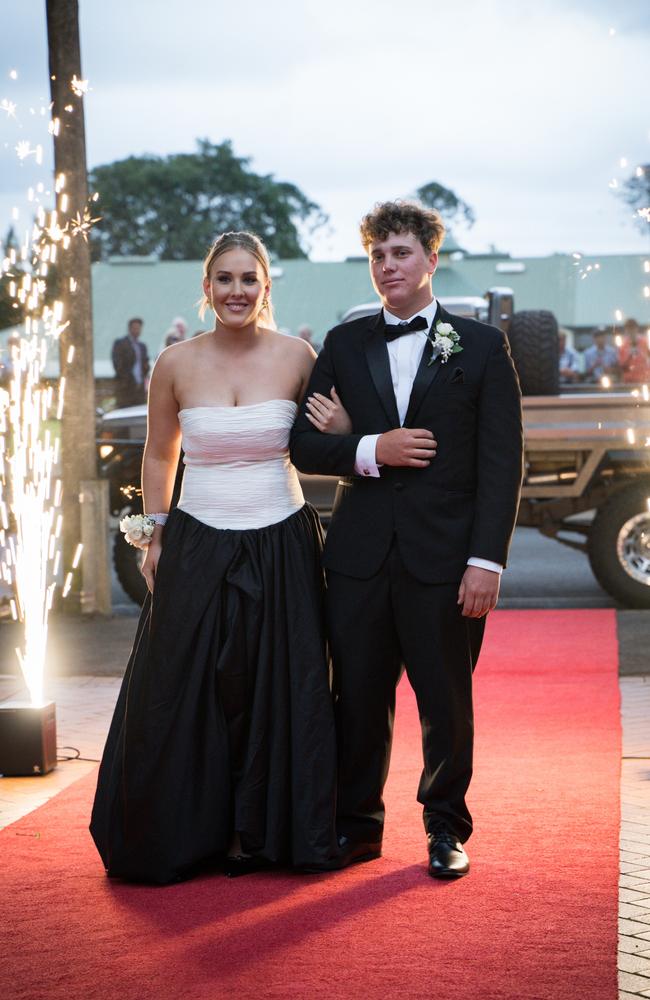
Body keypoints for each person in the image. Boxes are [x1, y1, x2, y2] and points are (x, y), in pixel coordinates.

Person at [90, 232, 342, 884]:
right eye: (224, 279)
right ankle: (192, 832)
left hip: (282, 537)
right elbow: (157, 455)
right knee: (183, 686)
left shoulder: (299, 357)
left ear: (265, 288)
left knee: (276, 688)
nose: (236, 291)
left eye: (248, 280)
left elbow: (323, 444)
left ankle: (268, 832)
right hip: (197, 537)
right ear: (207, 289)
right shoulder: (174, 362)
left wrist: (343, 432)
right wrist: (155, 536)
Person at [290, 200, 523, 880]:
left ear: (431, 257)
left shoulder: (480, 347)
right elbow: (302, 444)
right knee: (357, 699)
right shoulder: (343, 344)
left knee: (446, 703)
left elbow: (501, 462)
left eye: (401, 253)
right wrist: (369, 447)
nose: (388, 266)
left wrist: (486, 560)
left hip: (447, 562)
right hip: (359, 560)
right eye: (378, 255)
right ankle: (357, 827)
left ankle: (446, 828)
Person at [111, 317, 150, 407]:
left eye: (139, 328)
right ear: (129, 329)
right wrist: (126, 379)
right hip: (126, 387)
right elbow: (117, 364)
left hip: (139, 387)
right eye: (135, 328)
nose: (137, 330)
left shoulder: (142, 346)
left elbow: (145, 363)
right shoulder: (121, 344)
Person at [618, 318, 650, 385]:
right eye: (629, 328)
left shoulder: (645, 342)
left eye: (633, 328)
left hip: (644, 379)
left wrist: (641, 353)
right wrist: (630, 355)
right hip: (629, 380)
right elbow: (622, 366)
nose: (631, 331)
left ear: (637, 328)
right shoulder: (623, 345)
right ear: (626, 330)